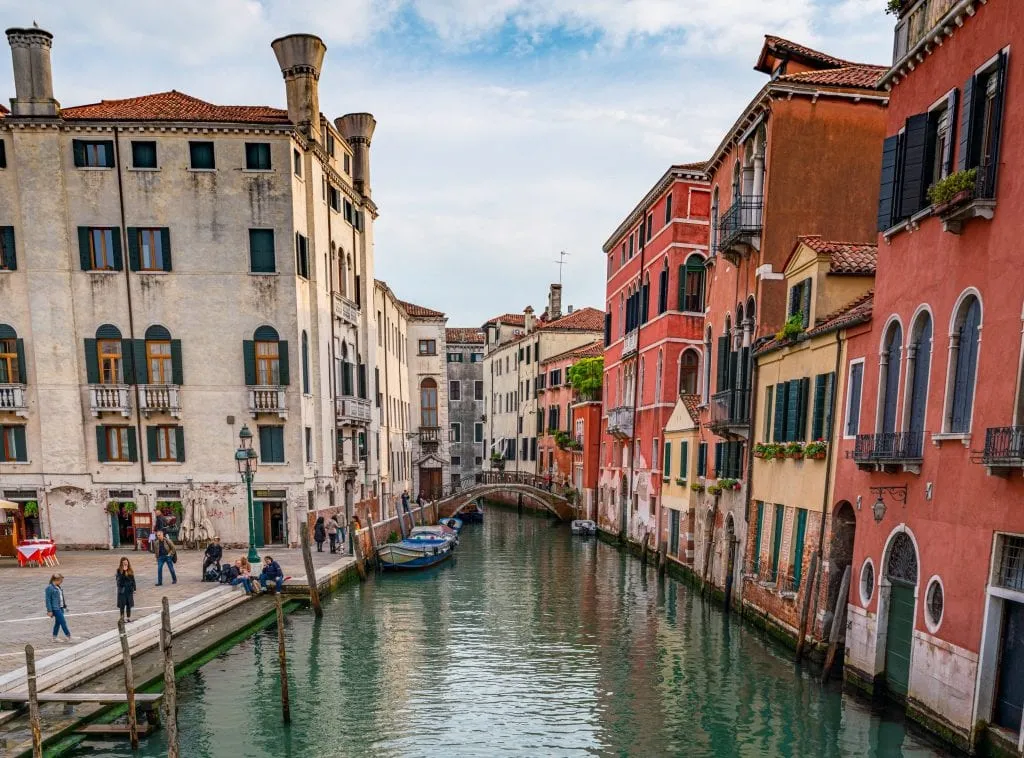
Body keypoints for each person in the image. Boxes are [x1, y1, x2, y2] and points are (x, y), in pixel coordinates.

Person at [45, 574, 71, 643]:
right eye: (61, 580)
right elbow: (48, 600)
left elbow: (61, 598)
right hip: (55, 608)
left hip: (60, 607)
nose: (61, 582)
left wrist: (65, 606)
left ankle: (54, 637)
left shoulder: (58, 587)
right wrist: (49, 610)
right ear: (56, 580)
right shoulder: (49, 588)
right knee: (63, 622)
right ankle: (68, 635)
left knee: (58, 623)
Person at [116, 558, 136, 623]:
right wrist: (124, 571)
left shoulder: (130, 570)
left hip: (129, 590)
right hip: (123, 590)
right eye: (124, 562)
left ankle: (128, 617)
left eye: (126, 562)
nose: (125, 563)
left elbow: (133, 580)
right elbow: (120, 581)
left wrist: (134, 588)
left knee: (129, 605)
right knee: (122, 605)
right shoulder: (119, 570)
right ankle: (122, 618)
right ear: (121, 563)